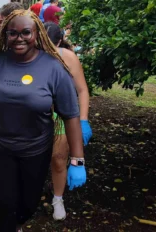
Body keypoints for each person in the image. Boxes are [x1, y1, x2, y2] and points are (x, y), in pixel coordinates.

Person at [0, 9, 87, 231]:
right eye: (13, 33)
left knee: (28, 204)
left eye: (26, 32)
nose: (19, 38)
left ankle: (17, 223)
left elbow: (70, 116)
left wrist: (77, 160)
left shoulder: (54, 68)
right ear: (6, 34)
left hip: (35, 149)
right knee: (5, 205)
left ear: (37, 34)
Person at [44, 21, 92, 221]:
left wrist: (83, 120)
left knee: (58, 159)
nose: (46, 50)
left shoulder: (69, 58)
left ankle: (57, 198)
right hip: (37, 116)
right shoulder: (31, 54)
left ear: (60, 42)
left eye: (50, 46)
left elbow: (82, 90)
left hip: (63, 116)